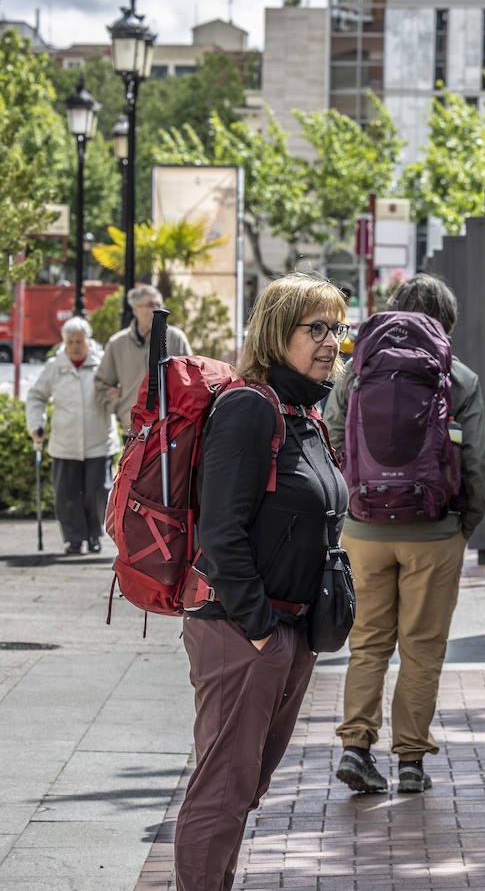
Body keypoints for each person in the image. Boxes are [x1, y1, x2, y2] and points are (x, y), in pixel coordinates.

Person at [173, 274, 349, 890]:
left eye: (337, 328)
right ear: (278, 334)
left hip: (287, 630)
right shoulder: (251, 408)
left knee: (244, 788)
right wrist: (259, 631)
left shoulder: (302, 412)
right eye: (317, 329)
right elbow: (221, 531)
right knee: (222, 790)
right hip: (241, 630)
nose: (332, 342)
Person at [327, 273, 485, 794]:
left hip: (364, 529)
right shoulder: (457, 376)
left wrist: (352, 504)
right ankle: (412, 763)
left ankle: (356, 748)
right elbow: (479, 462)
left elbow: (330, 437)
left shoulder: (357, 370)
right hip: (433, 531)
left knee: (368, 645)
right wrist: (464, 523)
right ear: (447, 321)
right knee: (421, 650)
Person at [25, 318, 120, 554]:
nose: (75, 346)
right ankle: (74, 538)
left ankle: (95, 535)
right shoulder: (54, 367)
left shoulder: (103, 365)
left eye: (79, 341)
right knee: (67, 494)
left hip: (99, 441)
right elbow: (36, 397)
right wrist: (36, 424)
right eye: (70, 341)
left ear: (88, 341)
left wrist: (115, 395)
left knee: (98, 492)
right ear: (64, 343)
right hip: (65, 443)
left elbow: (121, 391)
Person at [95, 284, 191, 435]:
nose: (156, 309)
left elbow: (191, 381)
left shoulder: (176, 338)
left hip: (170, 429)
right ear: (135, 309)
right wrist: (121, 408)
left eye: (159, 304)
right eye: (150, 305)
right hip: (133, 430)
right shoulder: (117, 343)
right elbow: (100, 385)